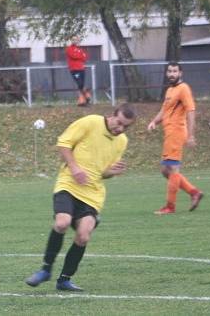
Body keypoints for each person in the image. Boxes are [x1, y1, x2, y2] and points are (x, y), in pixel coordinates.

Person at [25, 103, 136, 291]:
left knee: (83, 236)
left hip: (92, 193)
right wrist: (75, 167)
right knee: (62, 223)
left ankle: (64, 280)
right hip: (68, 184)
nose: (121, 129)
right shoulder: (91, 122)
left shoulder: (122, 141)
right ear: (112, 115)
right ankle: (45, 270)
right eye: (119, 123)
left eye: (126, 126)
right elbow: (63, 143)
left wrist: (112, 172)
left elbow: (103, 173)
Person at [148, 62, 203, 215]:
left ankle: (170, 207)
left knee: (172, 169)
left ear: (180, 73)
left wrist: (191, 135)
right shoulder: (170, 90)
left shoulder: (183, 88)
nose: (172, 74)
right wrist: (154, 122)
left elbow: (191, 111)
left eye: (175, 71)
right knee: (165, 170)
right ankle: (194, 192)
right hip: (169, 133)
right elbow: (164, 110)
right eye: (169, 71)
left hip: (177, 132)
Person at [65, 35, 91, 106]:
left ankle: (83, 99)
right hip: (74, 70)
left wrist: (80, 55)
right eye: (73, 39)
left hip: (81, 68)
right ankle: (85, 96)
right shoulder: (69, 49)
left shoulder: (80, 49)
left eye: (76, 40)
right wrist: (80, 56)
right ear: (71, 41)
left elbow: (85, 57)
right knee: (79, 83)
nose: (75, 41)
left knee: (82, 84)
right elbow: (74, 56)